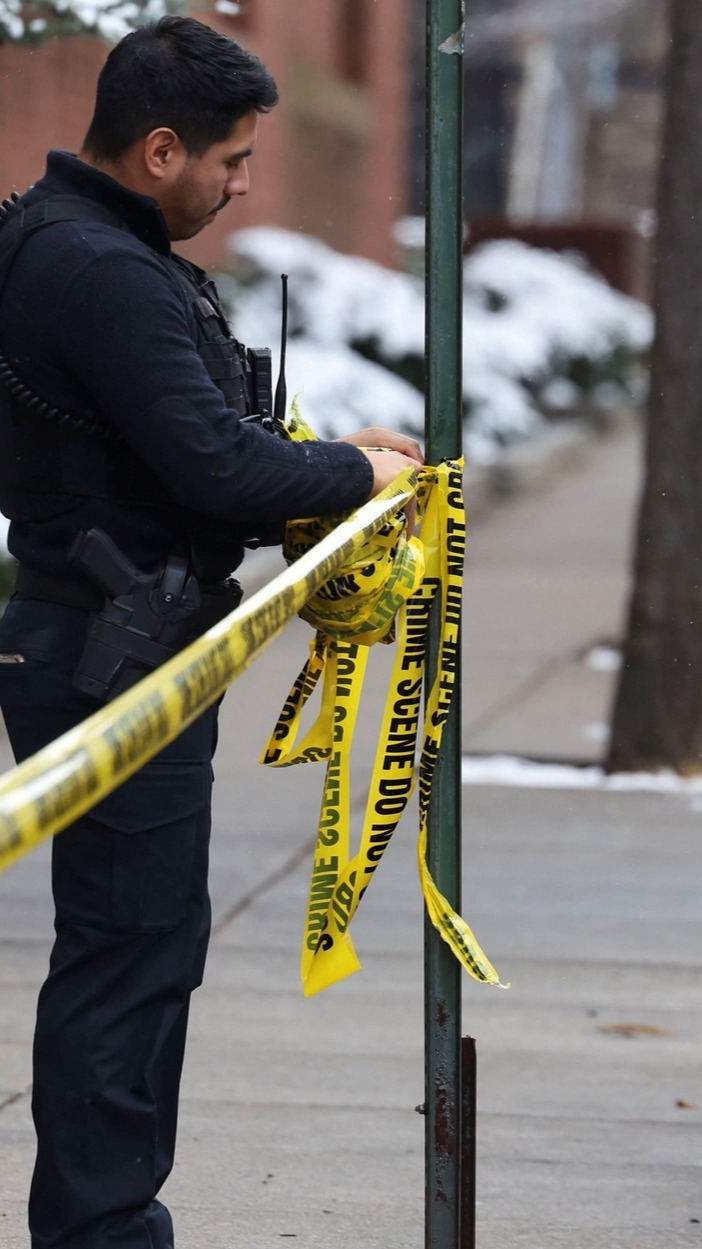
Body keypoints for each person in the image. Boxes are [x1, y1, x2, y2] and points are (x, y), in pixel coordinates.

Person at [0, 16, 421, 1248]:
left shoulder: (85, 242)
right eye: (230, 161)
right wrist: (351, 470)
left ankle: (106, 1218)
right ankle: (104, 1228)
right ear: (161, 148)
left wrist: (318, 459)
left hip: (112, 632)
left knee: (137, 941)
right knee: (131, 950)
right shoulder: (101, 267)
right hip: (108, 644)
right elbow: (210, 465)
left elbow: (191, 440)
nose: (243, 186)